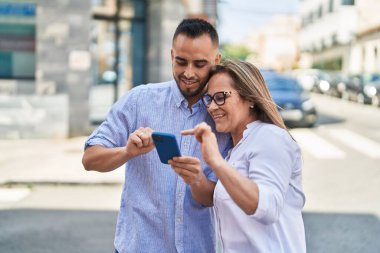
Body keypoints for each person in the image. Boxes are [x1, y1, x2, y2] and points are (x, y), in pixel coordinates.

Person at [82, 18, 230, 253]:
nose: (189, 73)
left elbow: (221, 198)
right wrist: (127, 152)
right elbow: (90, 159)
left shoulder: (223, 115)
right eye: (181, 62)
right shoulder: (139, 100)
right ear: (172, 56)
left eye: (200, 64)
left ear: (216, 60)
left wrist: (197, 180)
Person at [169, 59, 306, 252]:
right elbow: (215, 199)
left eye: (221, 97)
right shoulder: (236, 150)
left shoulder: (270, 137)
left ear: (250, 98)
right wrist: (195, 177)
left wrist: (215, 161)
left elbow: (267, 208)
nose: (211, 107)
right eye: (209, 99)